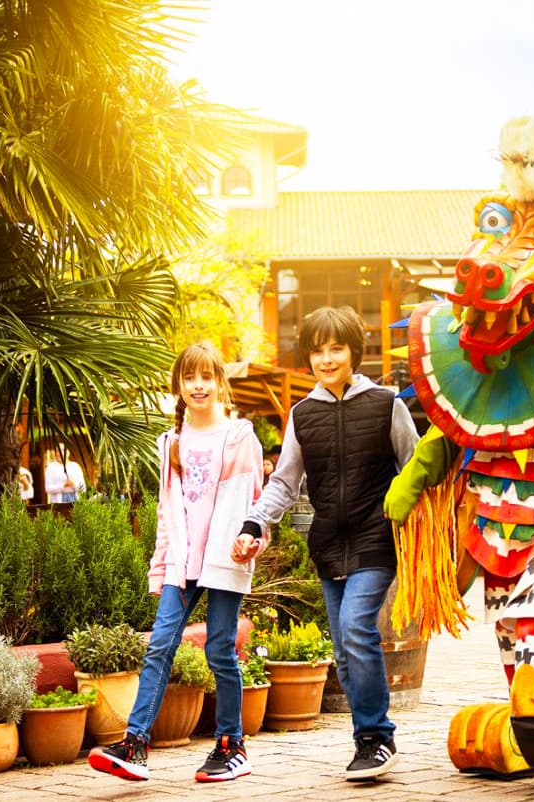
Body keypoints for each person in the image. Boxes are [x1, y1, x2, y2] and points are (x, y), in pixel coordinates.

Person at [239, 306, 419, 782]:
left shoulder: (386, 404)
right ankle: (367, 740)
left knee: (357, 629)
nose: (326, 358)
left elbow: (415, 467)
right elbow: (283, 482)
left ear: (353, 351)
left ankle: (377, 737)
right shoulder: (303, 414)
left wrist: (418, 527)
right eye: (317, 350)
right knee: (343, 648)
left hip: (375, 539)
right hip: (327, 546)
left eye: (335, 348)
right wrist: (255, 523)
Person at [89, 343, 265, 783]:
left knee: (220, 650)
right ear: (179, 385)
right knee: (159, 645)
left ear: (219, 382)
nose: (198, 385)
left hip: (225, 560)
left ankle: (231, 745)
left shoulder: (239, 437)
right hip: (182, 564)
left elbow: (254, 507)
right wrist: (160, 566)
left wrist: (251, 544)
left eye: (207, 376)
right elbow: (168, 514)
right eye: (190, 377)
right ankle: (135, 744)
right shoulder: (170, 442)